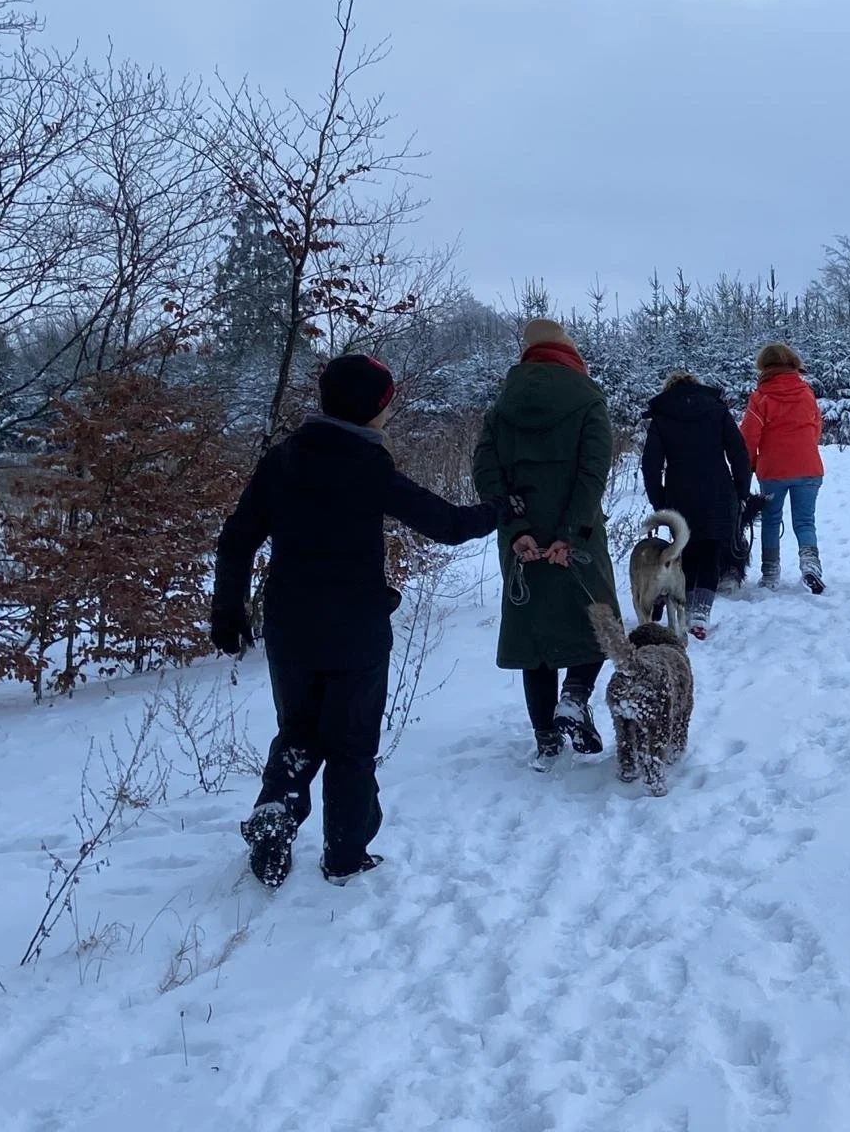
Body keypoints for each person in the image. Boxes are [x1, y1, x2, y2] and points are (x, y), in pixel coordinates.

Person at [212, 354, 503, 888]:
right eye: (386, 403)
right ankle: (345, 855)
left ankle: (276, 813)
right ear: (372, 408)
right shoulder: (368, 467)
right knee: (351, 744)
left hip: (290, 627)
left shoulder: (283, 459)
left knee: (298, 730)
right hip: (355, 631)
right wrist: (501, 510)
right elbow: (447, 525)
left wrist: (227, 610)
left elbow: (236, 541)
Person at [471, 318, 623, 772]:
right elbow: (593, 472)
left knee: (532, 632)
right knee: (600, 617)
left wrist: (517, 528)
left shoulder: (501, 408)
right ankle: (574, 699)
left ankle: (546, 740)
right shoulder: (588, 399)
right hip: (577, 532)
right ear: (570, 353)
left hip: (522, 540)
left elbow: (485, 471)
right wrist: (570, 533)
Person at [641, 371, 752, 639]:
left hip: (680, 493)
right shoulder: (717, 409)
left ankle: (684, 608)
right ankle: (700, 614)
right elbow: (738, 452)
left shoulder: (662, 416)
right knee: (712, 552)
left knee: (686, 552)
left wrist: (660, 502)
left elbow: (651, 465)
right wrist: (741, 490)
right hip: (718, 491)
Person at [741, 343, 826, 594]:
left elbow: (749, 436)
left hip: (774, 470)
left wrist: (751, 464)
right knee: (805, 521)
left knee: (770, 520)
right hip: (809, 466)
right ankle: (811, 566)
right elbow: (816, 428)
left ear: (764, 367)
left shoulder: (760, 397)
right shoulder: (806, 392)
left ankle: (770, 574)